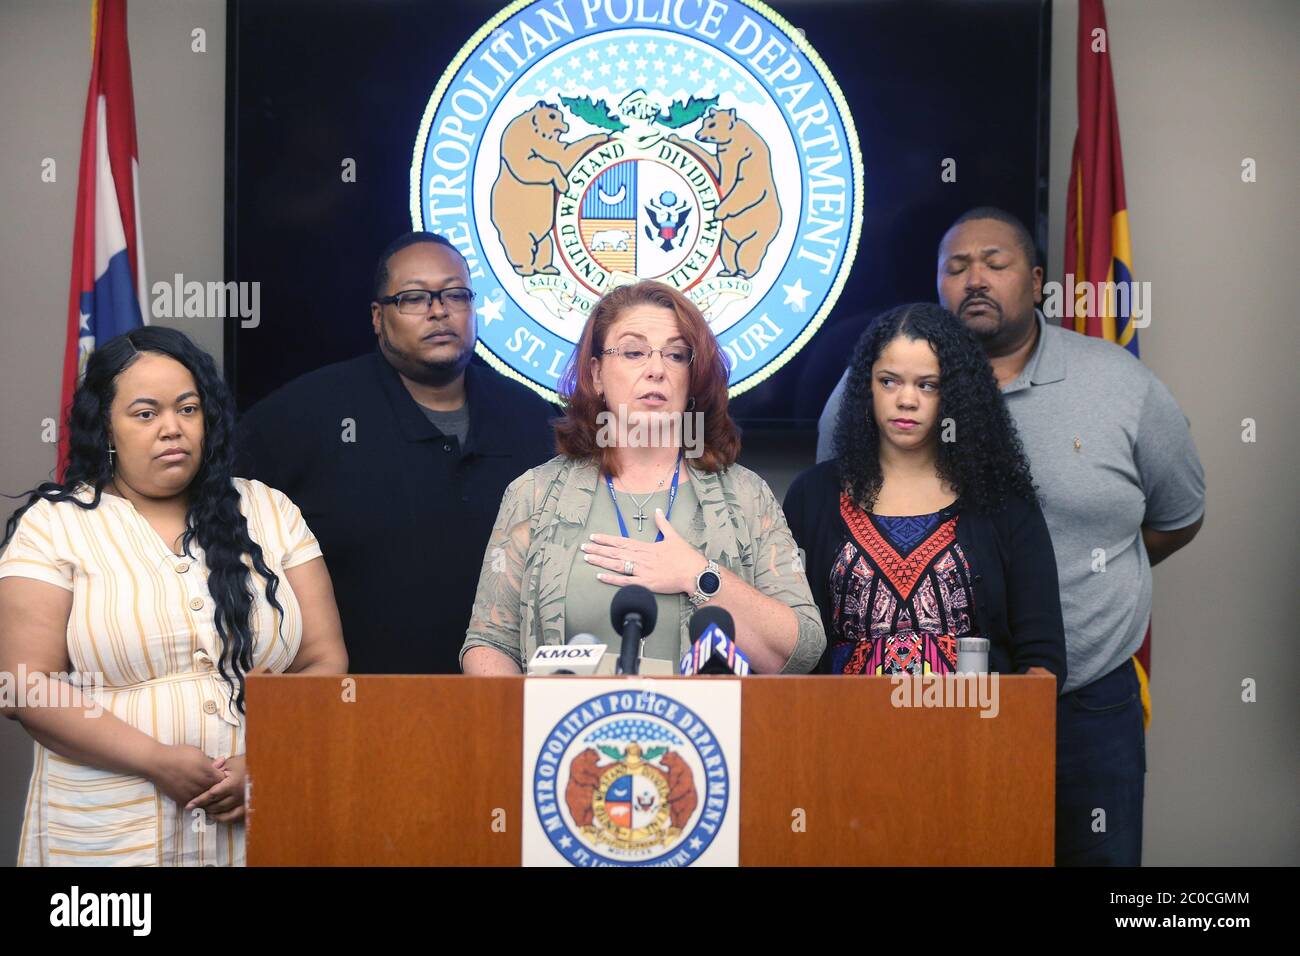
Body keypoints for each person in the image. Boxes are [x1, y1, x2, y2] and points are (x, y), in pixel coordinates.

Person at [817, 207, 1206, 865]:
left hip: (1086, 698)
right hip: (925, 705)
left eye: (995, 264)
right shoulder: (877, 387)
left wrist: (1088, 574)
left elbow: (1177, 517)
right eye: (956, 266)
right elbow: (836, 513)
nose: (975, 279)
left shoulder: (1120, 384)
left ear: (1036, 279)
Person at [0, 327, 347, 866]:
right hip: (110, 827)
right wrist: (157, 760)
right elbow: (27, 686)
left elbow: (326, 660)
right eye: (145, 414)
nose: (171, 428)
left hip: (263, 810)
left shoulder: (271, 511)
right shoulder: (54, 526)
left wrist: (266, 759)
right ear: (107, 429)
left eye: (188, 409)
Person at [460, 280, 825, 674]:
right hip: (568, 733)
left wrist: (698, 575)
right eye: (634, 352)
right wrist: (523, 726)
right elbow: (490, 643)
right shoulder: (534, 493)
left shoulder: (746, 495)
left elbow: (800, 652)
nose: (656, 369)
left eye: (676, 355)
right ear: (596, 374)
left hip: (710, 735)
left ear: (692, 379)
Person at [237, 231, 556, 673]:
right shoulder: (301, 417)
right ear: (377, 316)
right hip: (358, 709)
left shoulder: (534, 421)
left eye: (456, 295)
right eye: (413, 298)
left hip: (508, 708)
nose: (439, 310)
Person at [785, 303, 1066, 680]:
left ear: (955, 395)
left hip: (975, 730)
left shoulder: (1003, 500)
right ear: (866, 386)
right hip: (841, 730)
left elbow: (1042, 657)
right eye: (889, 381)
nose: (906, 400)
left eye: (927, 385)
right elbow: (792, 646)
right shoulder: (814, 495)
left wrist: (1008, 733)